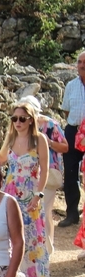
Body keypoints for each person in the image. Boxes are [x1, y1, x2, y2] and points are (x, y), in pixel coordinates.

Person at [0, 101, 50, 277]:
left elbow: (44, 170)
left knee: (31, 235)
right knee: (10, 235)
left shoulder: (39, 140)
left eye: (22, 119)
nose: (17, 122)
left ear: (30, 120)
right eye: (14, 118)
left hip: (30, 194)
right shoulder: (10, 138)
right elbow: (1, 158)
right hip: (10, 193)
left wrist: (38, 195)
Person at [19, 96, 68, 254]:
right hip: (26, 174)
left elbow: (66, 147)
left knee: (45, 210)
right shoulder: (21, 125)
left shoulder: (51, 125)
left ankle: (47, 248)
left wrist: (49, 143)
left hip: (48, 172)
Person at [59, 51, 85, 228]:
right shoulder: (70, 85)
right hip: (73, 131)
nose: (82, 65)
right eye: (79, 62)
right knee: (70, 172)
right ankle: (72, 213)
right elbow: (66, 111)